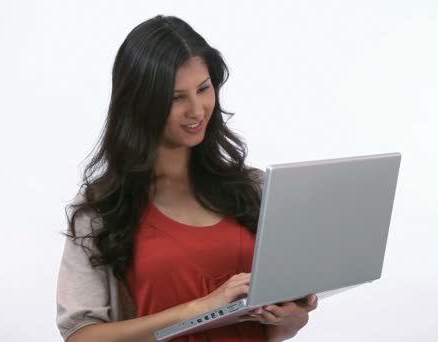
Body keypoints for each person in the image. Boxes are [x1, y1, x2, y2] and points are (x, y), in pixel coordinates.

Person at [56, 14, 318, 342]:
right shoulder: (101, 211)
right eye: (177, 97)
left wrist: (291, 319)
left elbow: (276, 329)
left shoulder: (252, 189)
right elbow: (81, 336)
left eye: (203, 89)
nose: (196, 110)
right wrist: (203, 308)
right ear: (140, 104)